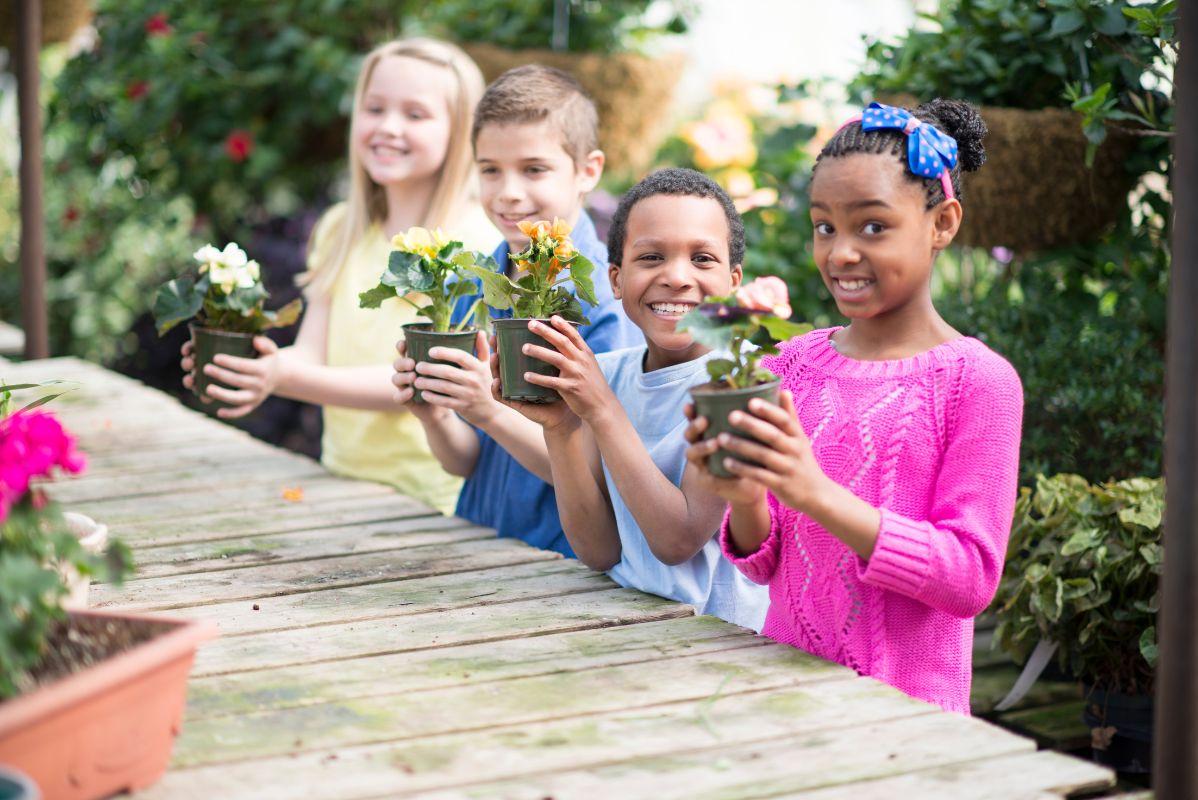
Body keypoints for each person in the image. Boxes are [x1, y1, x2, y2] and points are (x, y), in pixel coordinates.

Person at [685, 99, 1023, 713]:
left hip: (906, 716)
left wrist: (813, 491)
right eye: (824, 226)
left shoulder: (979, 382)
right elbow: (766, 567)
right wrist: (743, 493)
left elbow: (970, 576)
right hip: (785, 695)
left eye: (872, 226)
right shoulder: (786, 366)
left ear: (942, 223)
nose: (840, 253)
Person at [181, 38, 497, 515]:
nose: (388, 127)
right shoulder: (340, 228)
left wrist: (280, 377)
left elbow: (422, 383)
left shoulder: (475, 241)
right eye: (375, 108)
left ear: (459, 134)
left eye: (416, 115)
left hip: (435, 503)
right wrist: (253, 367)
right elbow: (313, 352)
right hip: (340, 484)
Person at [501, 168, 769, 631]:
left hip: (723, 641)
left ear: (733, 281)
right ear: (616, 280)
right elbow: (599, 549)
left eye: (702, 258)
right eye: (651, 257)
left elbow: (678, 540)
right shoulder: (608, 375)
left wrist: (602, 411)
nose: (677, 277)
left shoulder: (741, 383)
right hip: (630, 625)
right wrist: (561, 428)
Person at [391, 65, 640, 556]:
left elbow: (597, 472)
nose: (507, 191)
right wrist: (434, 415)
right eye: (489, 169)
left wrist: (486, 409)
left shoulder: (605, 302)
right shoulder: (477, 281)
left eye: (533, 169)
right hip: (478, 542)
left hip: (559, 557)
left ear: (587, 171)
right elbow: (466, 461)